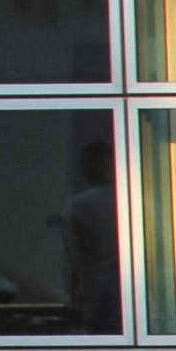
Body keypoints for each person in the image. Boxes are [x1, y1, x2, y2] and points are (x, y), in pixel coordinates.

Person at [62, 138, 120, 334]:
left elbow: (71, 259)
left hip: (96, 296)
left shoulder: (80, 204)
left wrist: (73, 296)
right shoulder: (134, 199)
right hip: (134, 298)